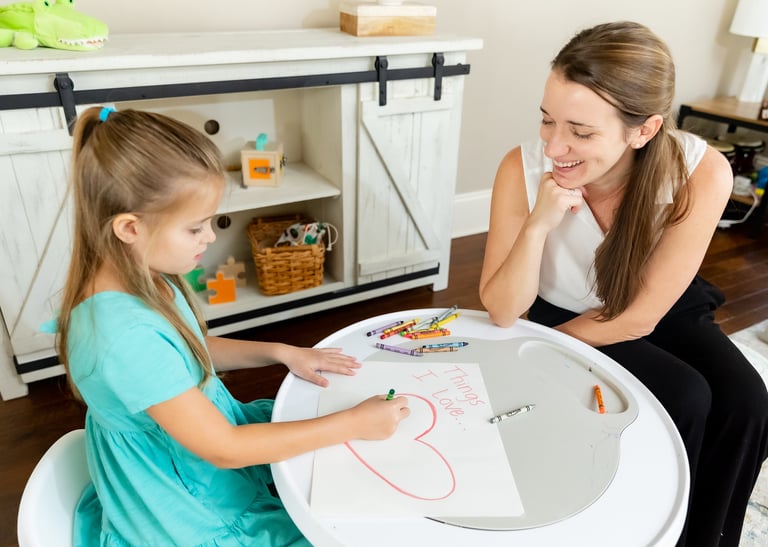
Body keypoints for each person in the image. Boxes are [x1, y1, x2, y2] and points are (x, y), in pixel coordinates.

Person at [56, 106, 411, 546]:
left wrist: (280, 351)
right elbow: (224, 449)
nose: (210, 236)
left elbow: (191, 348)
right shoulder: (122, 337)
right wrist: (353, 423)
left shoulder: (141, 271)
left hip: (202, 448)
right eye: (195, 228)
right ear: (129, 227)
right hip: (187, 499)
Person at [479, 21, 768, 546]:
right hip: (557, 310)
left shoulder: (701, 172)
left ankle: (707, 536)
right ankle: (641, 525)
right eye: (548, 121)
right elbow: (502, 309)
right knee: (685, 395)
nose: (554, 146)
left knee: (748, 399)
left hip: (654, 305)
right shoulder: (518, 170)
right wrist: (540, 223)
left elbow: (640, 316)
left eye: (581, 132)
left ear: (644, 130)